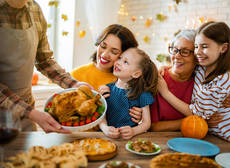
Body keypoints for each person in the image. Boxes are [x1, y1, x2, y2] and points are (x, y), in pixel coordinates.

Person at [0, 0, 89, 133]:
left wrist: (74, 85)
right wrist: (32, 113)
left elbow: (44, 60)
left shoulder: (34, 9)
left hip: (26, 114)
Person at [158, 21, 230, 143]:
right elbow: (180, 61)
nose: (198, 52)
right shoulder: (201, 69)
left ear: (223, 48)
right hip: (210, 137)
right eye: (196, 47)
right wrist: (165, 67)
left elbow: (196, 114)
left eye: (204, 47)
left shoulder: (223, 80)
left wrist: (165, 92)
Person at [71, 24, 142, 123]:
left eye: (114, 52)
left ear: (125, 55)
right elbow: (69, 115)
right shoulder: (76, 75)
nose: (104, 55)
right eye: (103, 46)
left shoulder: (127, 80)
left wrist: (137, 116)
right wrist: (96, 102)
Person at [99, 48, 158, 139]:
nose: (118, 62)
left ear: (136, 74)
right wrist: (105, 128)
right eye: (120, 58)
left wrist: (133, 131)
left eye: (125, 62)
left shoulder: (142, 94)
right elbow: (101, 115)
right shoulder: (107, 89)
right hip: (106, 137)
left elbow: (146, 123)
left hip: (129, 139)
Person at [150, 30, 197, 131]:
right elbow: (153, 127)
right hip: (162, 142)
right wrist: (194, 120)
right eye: (175, 50)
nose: (177, 56)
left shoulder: (200, 82)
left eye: (185, 52)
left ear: (197, 57)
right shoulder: (158, 80)